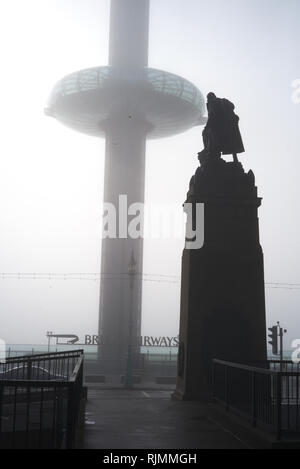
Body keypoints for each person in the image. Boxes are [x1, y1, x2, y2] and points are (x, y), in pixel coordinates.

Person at [201, 92, 245, 163]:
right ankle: (235, 159)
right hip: (230, 125)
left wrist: (206, 127)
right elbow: (232, 106)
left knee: (206, 134)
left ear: (209, 98)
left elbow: (212, 116)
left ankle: (209, 152)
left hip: (219, 127)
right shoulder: (224, 101)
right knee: (232, 142)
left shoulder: (213, 103)